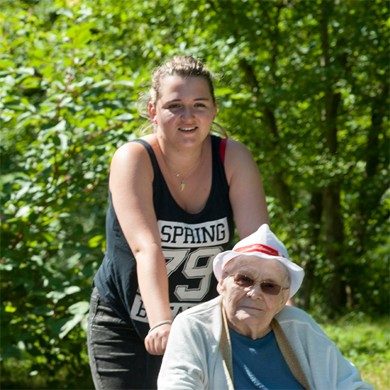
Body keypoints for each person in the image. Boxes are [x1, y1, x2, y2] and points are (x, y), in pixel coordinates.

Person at [87, 55, 269, 389]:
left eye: (199, 104)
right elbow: (146, 247)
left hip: (203, 323)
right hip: (126, 324)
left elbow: (257, 247)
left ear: (214, 110)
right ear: (153, 111)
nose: (188, 116)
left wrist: (279, 303)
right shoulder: (134, 159)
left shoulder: (233, 158)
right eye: (175, 106)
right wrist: (161, 324)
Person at [158, 224, 373, 390]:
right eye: (244, 279)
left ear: (283, 298)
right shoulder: (194, 326)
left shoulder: (300, 326)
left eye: (270, 286)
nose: (255, 293)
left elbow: (348, 384)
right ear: (222, 282)